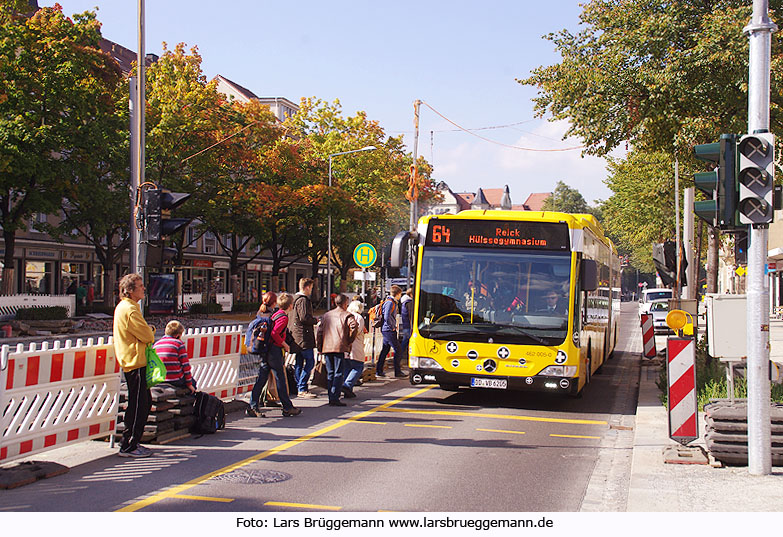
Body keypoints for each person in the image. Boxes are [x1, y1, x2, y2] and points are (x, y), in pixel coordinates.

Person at [113, 273, 156, 458]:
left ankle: (132, 441)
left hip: (133, 360)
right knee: (139, 404)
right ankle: (129, 444)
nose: (143, 288)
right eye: (140, 285)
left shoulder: (127, 307)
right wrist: (150, 330)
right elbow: (147, 335)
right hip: (135, 361)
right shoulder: (130, 309)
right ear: (129, 290)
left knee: (142, 402)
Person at [249, 293, 302, 418]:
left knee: (262, 378)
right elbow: (274, 333)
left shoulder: (275, 313)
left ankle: (253, 405)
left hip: (266, 349)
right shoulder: (283, 317)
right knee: (280, 378)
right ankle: (287, 407)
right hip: (274, 351)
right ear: (290, 305)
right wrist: (285, 344)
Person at [316, 294, 358, 406]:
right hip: (339, 346)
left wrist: (319, 346)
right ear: (345, 303)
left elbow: (319, 332)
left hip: (327, 346)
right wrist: (349, 340)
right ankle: (335, 397)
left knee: (330, 372)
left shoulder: (326, 315)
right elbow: (354, 327)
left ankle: (331, 396)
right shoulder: (347, 315)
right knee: (338, 373)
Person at [290, 278, 318, 399]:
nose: (311, 291)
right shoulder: (302, 300)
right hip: (303, 336)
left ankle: (298, 386)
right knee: (310, 361)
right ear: (307, 287)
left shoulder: (294, 299)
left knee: (299, 362)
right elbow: (304, 318)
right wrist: (315, 320)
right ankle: (302, 387)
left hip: (296, 335)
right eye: (311, 288)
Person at [154, 320, 196, 393]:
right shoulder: (179, 344)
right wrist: (189, 384)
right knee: (193, 383)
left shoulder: (156, 344)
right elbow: (186, 367)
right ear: (177, 335)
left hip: (159, 379)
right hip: (175, 380)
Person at [375, 285, 406, 378]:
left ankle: (379, 371)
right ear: (397, 294)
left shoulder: (390, 302)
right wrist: (391, 327)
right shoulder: (390, 303)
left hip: (387, 329)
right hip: (388, 330)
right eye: (400, 294)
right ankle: (397, 372)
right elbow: (387, 316)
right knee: (398, 350)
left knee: (385, 349)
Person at [342, 300, 366, 398]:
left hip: (345, 346)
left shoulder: (345, 315)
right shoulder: (358, 317)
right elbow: (357, 331)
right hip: (355, 345)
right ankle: (347, 385)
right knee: (358, 367)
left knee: (347, 367)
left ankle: (348, 390)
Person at [399, 288, 414, 369]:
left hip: (406, 325)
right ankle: (400, 358)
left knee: (405, 343)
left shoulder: (404, 303)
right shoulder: (409, 303)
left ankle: (400, 358)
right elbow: (411, 316)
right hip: (409, 326)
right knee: (406, 343)